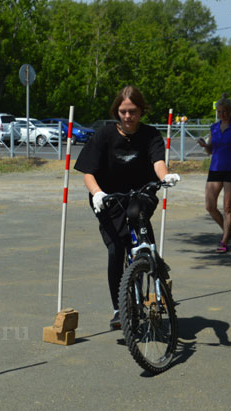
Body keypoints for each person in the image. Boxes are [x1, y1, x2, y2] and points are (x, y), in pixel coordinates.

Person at [74, 85, 180, 330]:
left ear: (141, 111)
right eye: (123, 111)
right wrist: (97, 193)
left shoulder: (151, 135)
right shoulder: (104, 135)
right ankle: (119, 308)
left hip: (141, 194)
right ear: (116, 111)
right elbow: (88, 172)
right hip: (107, 197)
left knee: (137, 228)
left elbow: (158, 163)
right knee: (116, 251)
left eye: (132, 111)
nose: (127, 116)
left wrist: (166, 177)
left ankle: (148, 257)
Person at [197, 93, 231, 254]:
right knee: (210, 206)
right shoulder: (214, 128)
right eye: (219, 112)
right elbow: (211, 150)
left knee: (227, 207)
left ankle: (224, 239)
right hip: (215, 169)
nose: (221, 114)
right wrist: (205, 146)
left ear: (230, 111)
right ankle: (228, 230)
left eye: (224, 111)